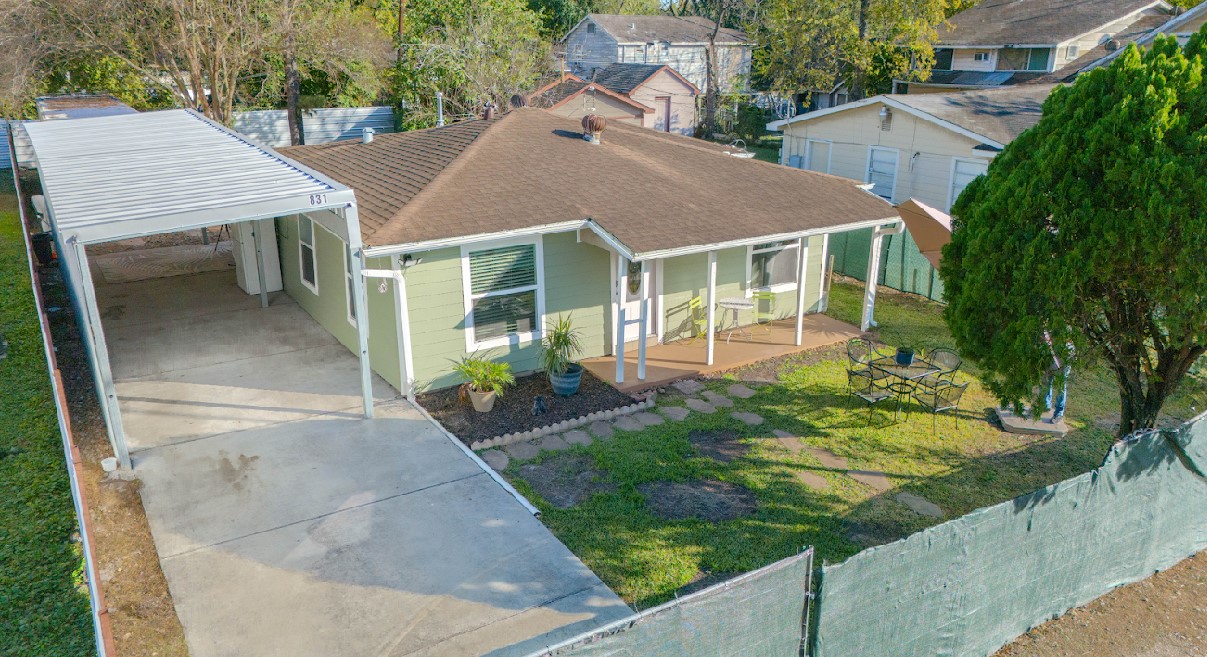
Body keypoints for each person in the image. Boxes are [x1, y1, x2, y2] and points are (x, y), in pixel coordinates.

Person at [1043, 331, 1071, 423]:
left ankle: (1059, 413)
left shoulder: (1065, 329)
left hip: (1063, 357)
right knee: (1046, 380)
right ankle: (1045, 405)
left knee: (1060, 386)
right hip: (1049, 355)